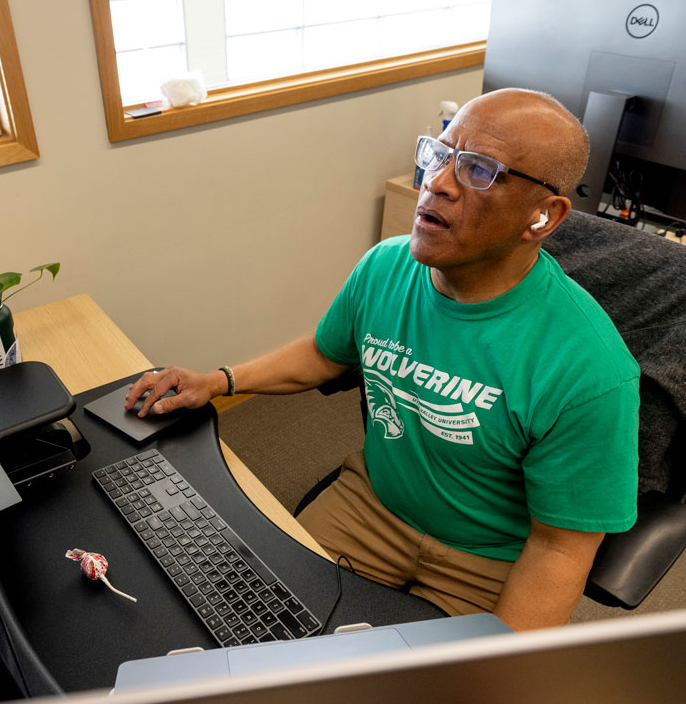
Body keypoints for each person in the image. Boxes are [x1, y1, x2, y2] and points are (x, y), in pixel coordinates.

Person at [125, 88, 640, 632]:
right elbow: (325, 354)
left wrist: (499, 674)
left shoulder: (590, 371)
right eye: (439, 155)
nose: (436, 183)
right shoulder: (386, 267)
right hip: (372, 506)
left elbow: (559, 551)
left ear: (543, 216)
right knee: (252, 625)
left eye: (479, 170)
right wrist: (220, 380)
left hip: (486, 559)